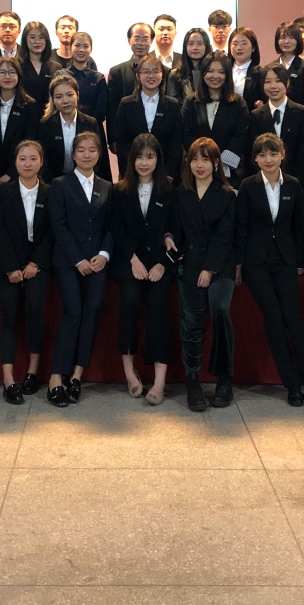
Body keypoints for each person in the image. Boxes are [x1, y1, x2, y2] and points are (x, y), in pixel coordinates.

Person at [236, 133, 304, 407]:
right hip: (256, 262)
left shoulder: (294, 185)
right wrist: (239, 264)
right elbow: (241, 228)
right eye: (262, 154)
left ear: (282, 155)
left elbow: (299, 227)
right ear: (255, 159)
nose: (268, 159)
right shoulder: (247, 186)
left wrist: (298, 262)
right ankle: (292, 384)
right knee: (273, 317)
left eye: (273, 153)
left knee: (293, 317)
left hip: (285, 261)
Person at [47, 131, 114, 407]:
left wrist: (104, 255)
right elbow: (58, 226)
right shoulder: (59, 184)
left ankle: (76, 375)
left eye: (92, 150)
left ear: (99, 154)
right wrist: (78, 260)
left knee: (92, 311)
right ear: (73, 154)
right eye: (81, 150)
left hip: (98, 262)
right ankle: (55, 377)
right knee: (73, 311)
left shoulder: (107, 186)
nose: (87, 154)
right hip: (68, 261)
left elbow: (111, 227)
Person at [112, 134, 180, 406]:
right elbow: (116, 230)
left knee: (158, 307)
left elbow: (176, 229)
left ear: (158, 159)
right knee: (128, 302)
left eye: (150, 157)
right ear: (131, 159)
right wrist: (133, 259)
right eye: (139, 157)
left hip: (160, 263)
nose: (144, 162)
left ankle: (160, 381)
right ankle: (130, 372)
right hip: (129, 261)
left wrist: (163, 263)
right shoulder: (119, 190)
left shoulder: (170, 189)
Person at [176, 137, 238, 411]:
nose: (199, 165)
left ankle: (225, 378)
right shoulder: (181, 193)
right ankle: (193, 380)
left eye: (205, 159)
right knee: (191, 319)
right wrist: (169, 238)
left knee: (220, 309)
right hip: (189, 263)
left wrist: (209, 268)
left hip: (219, 265)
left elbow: (225, 236)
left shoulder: (227, 194)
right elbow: (174, 228)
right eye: (194, 159)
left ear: (216, 163)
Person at [0, 140, 53, 404]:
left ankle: (32, 370)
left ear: (41, 162)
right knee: (9, 314)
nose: (27, 164)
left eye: (33, 159)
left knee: (35, 310)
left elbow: (51, 232)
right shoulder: (2, 193)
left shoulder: (50, 192)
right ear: (15, 162)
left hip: (38, 264)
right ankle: (8, 378)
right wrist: (10, 267)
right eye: (22, 159)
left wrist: (35, 264)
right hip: (8, 264)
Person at [179, 52, 252, 187]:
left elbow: (240, 136)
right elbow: (186, 133)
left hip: (229, 173)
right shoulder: (191, 102)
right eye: (210, 71)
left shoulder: (238, 103)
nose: (215, 76)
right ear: (203, 74)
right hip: (197, 170)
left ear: (228, 75)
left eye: (221, 72)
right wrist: (202, 160)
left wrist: (218, 164)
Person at [112, 53, 183, 181]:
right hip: (133, 173)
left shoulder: (173, 105)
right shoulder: (126, 104)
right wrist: (127, 173)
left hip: (164, 174)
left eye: (155, 71)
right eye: (146, 72)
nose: (151, 76)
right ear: (138, 76)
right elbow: (121, 143)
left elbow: (175, 143)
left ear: (162, 75)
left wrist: (169, 174)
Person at [37, 72, 108, 183]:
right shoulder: (45, 125)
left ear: (77, 95)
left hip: (84, 180)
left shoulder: (91, 123)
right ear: (53, 100)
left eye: (70, 95)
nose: (65, 101)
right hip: (53, 182)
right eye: (59, 97)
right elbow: (44, 160)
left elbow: (100, 157)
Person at [249, 62, 304, 179]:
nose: (273, 86)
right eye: (268, 82)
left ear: (287, 83)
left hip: (296, 179)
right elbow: (254, 152)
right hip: (266, 179)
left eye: (278, 81)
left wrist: (293, 181)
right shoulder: (256, 115)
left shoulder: (302, 112)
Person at [0, 56, 40, 184]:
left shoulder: (29, 106)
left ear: (19, 76)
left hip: (19, 174)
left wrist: (11, 174)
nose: (7, 77)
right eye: (2, 72)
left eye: (12, 72)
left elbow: (29, 141)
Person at [107, 22, 155, 135]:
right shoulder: (117, 72)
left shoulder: (162, 71)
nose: (141, 43)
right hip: (126, 133)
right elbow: (112, 109)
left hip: (155, 133)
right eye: (137, 38)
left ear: (151, 41)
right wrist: (113, 138)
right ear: (129, 40)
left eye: (145, 39)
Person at [64, 31, 110, 128]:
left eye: (86, 46)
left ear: (91, 49)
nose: (81, 49)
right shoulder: (61, 75)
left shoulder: (98, 78)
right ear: (70, 47)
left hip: (93, 127)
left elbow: (101, 110)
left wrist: (87, 123)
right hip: (67, 125)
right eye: (77, 45)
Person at [18, 20, 63, 112]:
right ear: (25, 40)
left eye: (41, 37)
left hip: (48, 115)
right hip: (23, 114)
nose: (37, 41)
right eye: (32, 37)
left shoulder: (56, 67)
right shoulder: (17, 65)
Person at [274, 20, 304, 106]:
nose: (287, 41)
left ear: (298, 40)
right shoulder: (269, 68)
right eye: (283, 37)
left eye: (291, 37)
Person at [165, 28, 210, 102]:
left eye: (200, 44)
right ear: (185, 46)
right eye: (191, 44)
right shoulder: (175, 74)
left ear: (206, 46)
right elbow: (172, 102)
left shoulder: (212, 72)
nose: (195, 48)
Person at [227, 26, 265, 110]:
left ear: (253, 47)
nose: (239, 48)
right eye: (235, 44)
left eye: (244, 43)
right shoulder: (224, 70)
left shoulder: (261, 73)